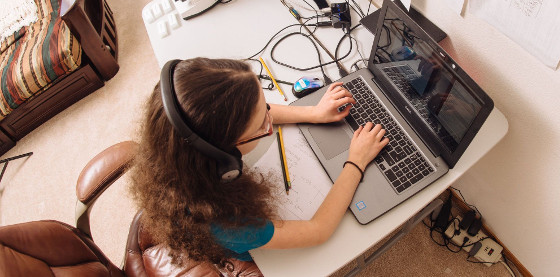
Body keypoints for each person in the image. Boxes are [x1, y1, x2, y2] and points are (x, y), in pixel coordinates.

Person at [130, 58, 389, 266]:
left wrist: (313, 112)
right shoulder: (229, 224)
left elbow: (253, 112)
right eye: (261, 125)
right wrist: (356, 161)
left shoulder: (179, 144)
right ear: (225, 160)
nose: (269, 120)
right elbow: (318, 230)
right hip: (256, 254)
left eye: (266, 107)